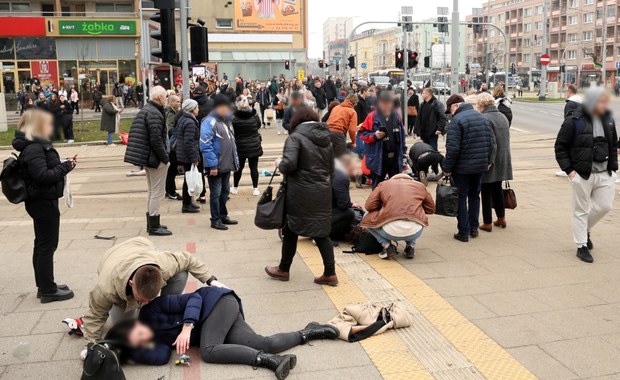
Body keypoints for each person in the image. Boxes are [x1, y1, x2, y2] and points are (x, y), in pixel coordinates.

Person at [106, 288, 338, 380]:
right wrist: (130, 354)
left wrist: (187, 325)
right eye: (136, 342)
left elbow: (194, 298)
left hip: (218, 302)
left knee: (209, 350)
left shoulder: (151, 309)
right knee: (262, 342)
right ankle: (309, 331)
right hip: (215, 323)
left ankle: (269, 362)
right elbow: (159, 359)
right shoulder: (156, 344)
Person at [70, 237, 214, 344]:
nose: (145, 303)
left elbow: (187, 259)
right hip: (112, 257)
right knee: (124, 330)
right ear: (132, 283)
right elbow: (95, 316)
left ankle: (165, 308)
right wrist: (91, 346)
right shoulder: (105, 288)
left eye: (149, 299)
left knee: (181, 273)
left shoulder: (164, 265)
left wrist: (211, 280)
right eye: (141, 299)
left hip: (141, 245)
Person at [265, 107, 337, 286]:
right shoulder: (327, 140)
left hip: (300, 193)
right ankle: (330, 273)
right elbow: (332, 170)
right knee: (321, 232)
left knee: (291, 228)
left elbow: (289, 164)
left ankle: (283, 269)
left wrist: (279, 163)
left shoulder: (295, 137)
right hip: (322, 191)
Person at [12, 109, 76, 303]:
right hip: (42, 202)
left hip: (42, 200)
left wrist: (62, 164)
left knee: (41, 244)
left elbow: (43, 170)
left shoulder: (35, 146)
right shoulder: (35, 148)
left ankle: (45, 285)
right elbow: (42, 176)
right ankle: (48, 290)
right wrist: (66, 167)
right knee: (47, 246)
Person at [554, 87, 618, 263]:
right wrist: (570, 171)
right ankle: (581, 245)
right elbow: (560, 147)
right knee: (580, 210)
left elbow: (613, 145)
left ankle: (585, 229)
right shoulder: (574, 120)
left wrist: (613, 168)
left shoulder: (608, 119)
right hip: (582, 174)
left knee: (605, 207)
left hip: (605, 172)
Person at [443, 95, 496, 243]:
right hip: (480, 167)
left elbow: (452, 149)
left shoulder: (457, 121)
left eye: (450, 110)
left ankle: (463, 232)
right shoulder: (483, 118)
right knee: (474, 196)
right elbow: (492, 142)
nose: (451, 114)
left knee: (461, 197)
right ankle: (474, 228)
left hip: (462, 168)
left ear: (455, 106)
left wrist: (447, 168)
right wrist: (489, 161)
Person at [124, 86, 172, 236]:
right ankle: (154, 225)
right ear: (159, 98)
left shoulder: (147, 110)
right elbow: (156, 140)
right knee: (157, 192)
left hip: (147, 157)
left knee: (152, 191)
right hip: (154, 159)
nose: (166, 99)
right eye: (165, 96)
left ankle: (152, 221)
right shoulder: (154, 113)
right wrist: (165, 158)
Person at [360, 174, 435, 259]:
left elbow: (369, 207)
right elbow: (431, 209)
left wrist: (384, 206)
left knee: (366, 216)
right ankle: (410, 247)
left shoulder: (384, 184)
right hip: (415, 232)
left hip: (388, 232)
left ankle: (387, 246)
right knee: (417, 215)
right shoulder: (420, 186)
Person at [200, 95, 239, 231]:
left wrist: (235, 161)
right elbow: (205, 145)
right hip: (216, 166)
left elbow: (232, 143)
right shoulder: (209, 122)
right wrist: (212, 165)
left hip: (226, 164)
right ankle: (215, 219)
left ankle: (223, 215)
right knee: (216, 193)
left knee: (225, 191)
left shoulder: (226, 121)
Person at [477, 93, 513, 232]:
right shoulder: (502, 116)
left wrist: (488, 161)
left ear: (482, 105)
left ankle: (487, 222)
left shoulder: (485, 117)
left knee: (485, 191)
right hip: (503, 158)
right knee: (497, 189)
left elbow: (491, 142)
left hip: (491, 159)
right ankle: (501, 217)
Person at [359, 91, 407, 189]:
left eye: (388, 102)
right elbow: (362, 133)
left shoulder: (396, 116)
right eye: (383, 102)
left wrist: (404, 153)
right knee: (377, 188)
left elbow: (402, 135)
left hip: (395, 159)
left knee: (396, 188)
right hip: (378, 159)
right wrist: (374, 136)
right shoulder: (372, 116)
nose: (386, 105)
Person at [175, 99, 202, 214]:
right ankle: (186, 204)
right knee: (189, 179)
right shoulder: (190, 122)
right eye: (196, 108)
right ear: (191, 109)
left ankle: (188, 202)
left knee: (188, 178)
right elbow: (189, 142)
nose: (198, 109)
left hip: (184, 154)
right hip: (187, 155)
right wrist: (194, 158)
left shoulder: (185, 119)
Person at [232, 97, 263, 196]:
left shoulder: (235, 118)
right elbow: (258, 125)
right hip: (254, 144)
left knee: (239, 168)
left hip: (240, 145)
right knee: (254, 168)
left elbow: (233, 131)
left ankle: (235, 187)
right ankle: (255, 188)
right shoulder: (254, 116)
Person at [331, 154, 361, 242]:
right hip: (320, 218)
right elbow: (344, 204)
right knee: (349, 213)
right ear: (348, 166)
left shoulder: (333, 171)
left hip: (310, 216)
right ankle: (327, 236)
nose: (356, 171)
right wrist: (351, 205)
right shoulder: (341, 177)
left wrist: (351, 204)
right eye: (355, 168)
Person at [415, 88, 447, 162]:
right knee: (425, 151)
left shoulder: (437, 104)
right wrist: (416, 130)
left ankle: (435, 166)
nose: (421, 95)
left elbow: (442, 117)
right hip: (424, 132)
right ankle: (428, 166)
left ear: (428, 94)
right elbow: (418, 118)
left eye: (423, 93)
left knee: (433, 150)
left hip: (433, 132)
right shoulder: (422, 105)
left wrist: (439, 128)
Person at [165, 94, 182, 201]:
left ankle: (170, 190)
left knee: (171, 170)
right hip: (172, 146)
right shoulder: (171, 113)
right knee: (172, 169)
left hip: (170, 145)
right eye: (177, 101)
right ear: (171, 102)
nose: (179, 103)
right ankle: (171, 191)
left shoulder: (171, 112)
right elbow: (170, 129)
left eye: (179, 101)